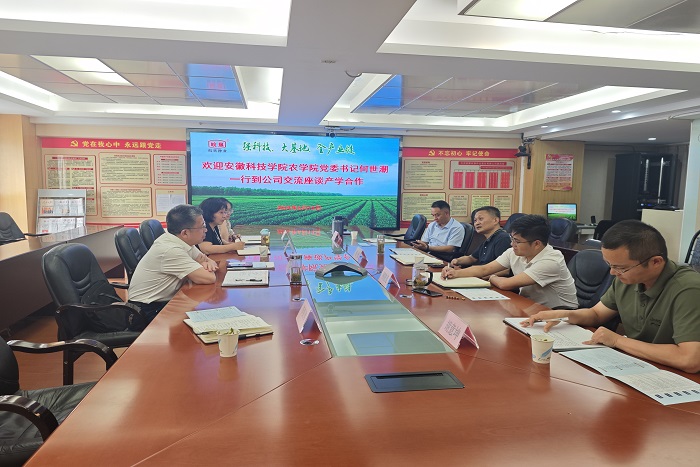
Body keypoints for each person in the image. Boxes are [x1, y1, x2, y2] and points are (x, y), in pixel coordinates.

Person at [524, 219, 700, 373]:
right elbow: (596, 314)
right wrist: (563, 315)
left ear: (655, 262)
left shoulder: (688, 289)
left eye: (621, 267)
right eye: (609, 265)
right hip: (638, 365)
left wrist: (617, 340)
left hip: (678, 380)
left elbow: (690, 360)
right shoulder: (627, 279)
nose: (613, 273)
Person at [443, 214, 577, 309]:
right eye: (512, 238)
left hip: (559, 314)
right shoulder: (515, 252)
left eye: (517, 241)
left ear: (536, 244)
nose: (512, 244)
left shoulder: (551, 261)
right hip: (529, 306)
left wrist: (492, 277)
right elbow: (484, 269)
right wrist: (455, 273)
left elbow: (505, 284)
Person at [128, 204, 219, 322]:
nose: (205, 230)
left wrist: (204, 264)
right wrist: (203, 265)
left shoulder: (180, 240)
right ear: (185, 233)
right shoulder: (170, 249)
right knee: (208, 319)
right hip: (147, 311)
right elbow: (209, 278)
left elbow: (207, 260)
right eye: (202, 227)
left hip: (163, 303)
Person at [445, 206, 510, 271]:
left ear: (495, 220)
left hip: (489, 276)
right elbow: (471, 258)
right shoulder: (487, 240)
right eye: (475, 220)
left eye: (481, 219)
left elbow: (505, 270)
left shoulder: (503, 239)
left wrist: (465, 273)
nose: (477, 223)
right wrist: (457, 261)